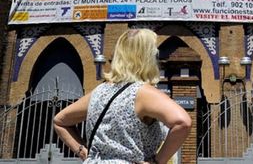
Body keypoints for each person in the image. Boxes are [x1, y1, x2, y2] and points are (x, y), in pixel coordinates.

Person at [53, 29, 192, 163]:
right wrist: (158, 161)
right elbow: (182, 122)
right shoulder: (142, 93)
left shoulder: (99, 91)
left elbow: (60, 121)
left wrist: (83, 151)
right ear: (146, 59)